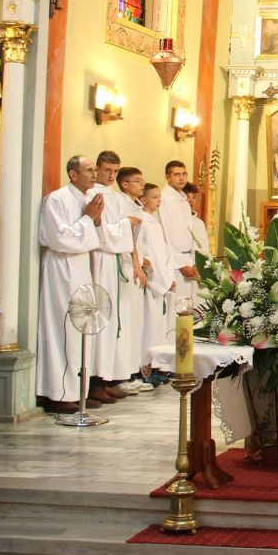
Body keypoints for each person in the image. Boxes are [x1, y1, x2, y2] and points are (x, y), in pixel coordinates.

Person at [35, 156, 105, 414]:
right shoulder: (56, 199)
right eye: (89, 170)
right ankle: (58, 393)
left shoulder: (87, 200)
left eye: (94, 170)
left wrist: (95, 221)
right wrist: (88, 219)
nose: (94, 174)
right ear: (73, 174)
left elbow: (95, 238)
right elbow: (58, 238)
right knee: (64, 328)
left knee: (81, 329)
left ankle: (78, 392)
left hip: (81, 266)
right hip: (62, 268)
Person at [88, 152, 142, 404]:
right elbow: (100, 230)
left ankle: (107, 379)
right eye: (107, 170)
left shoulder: (117, 197)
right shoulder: (92, 194)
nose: (111, 175)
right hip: (100, 261)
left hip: (115, 260)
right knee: (100, 320)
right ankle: (94, 382)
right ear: (97, 169)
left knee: (113, 323)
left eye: (115, 171)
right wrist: (126, 224)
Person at [110, 167, 153, 389]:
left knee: (135, 323)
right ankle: (121, 375)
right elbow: (126, 239)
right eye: (137, 181)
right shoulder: (119, 202)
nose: (141, 185)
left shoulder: (137, 205)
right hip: (125, 267)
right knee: (125, 322)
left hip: (135, 265)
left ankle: (133, 371)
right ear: (124, 184)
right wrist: (137, 264)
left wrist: (144, 260)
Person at [132, 183, 178, 382]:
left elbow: (166, 253)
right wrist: (156, 276)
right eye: (154, 197)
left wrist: (170, 277)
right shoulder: (141, 221)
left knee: (160, 327)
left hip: (162, 280)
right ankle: (145, 369)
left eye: (159, 197)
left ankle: (159, 366)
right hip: (151, 282)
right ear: (143, 200)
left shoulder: (156, 223)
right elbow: (142, 253)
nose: (159, 201)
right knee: (149, 327)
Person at [157, 162, 201, 305]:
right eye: (176, 174)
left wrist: (195, 261)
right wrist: (181, 264)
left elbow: (190, 234)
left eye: (184, 174)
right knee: (174, 307)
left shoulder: (183, 201)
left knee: (187, 307)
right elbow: (166, 234)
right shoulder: (164, 199)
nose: (182, 178)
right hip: (174, 263)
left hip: (188, 261)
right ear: (167, 177)